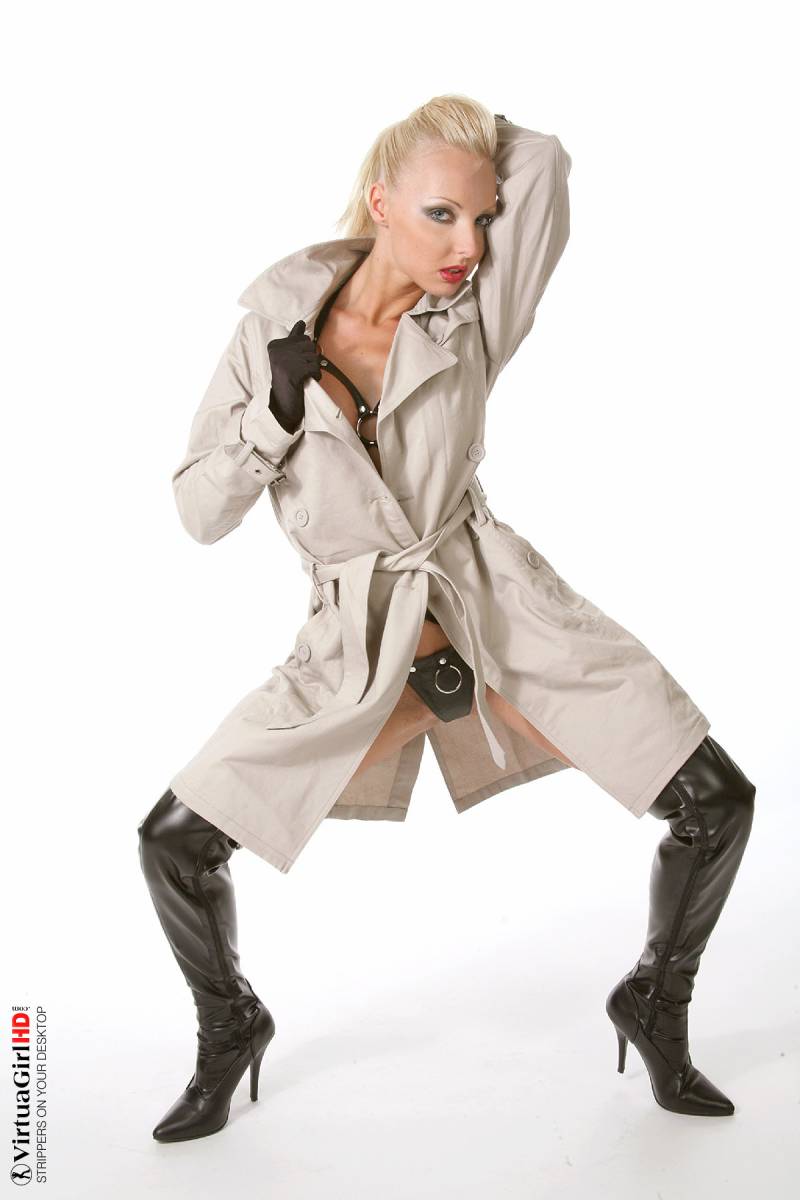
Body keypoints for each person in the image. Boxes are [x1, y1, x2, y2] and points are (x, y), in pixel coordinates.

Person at [138, 95, 756, 1142]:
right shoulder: (268, 338)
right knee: (171, 844)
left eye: (481, 218)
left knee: (717, 801)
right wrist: (271, 419)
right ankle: (231, 1023)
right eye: (440, 215)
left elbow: (543, 158)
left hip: (497, 610)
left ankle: (655, 1000)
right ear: (379, 203)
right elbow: (200, 513)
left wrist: (457, 127)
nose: (468, 244)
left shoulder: (472, 315)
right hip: (353, 649)